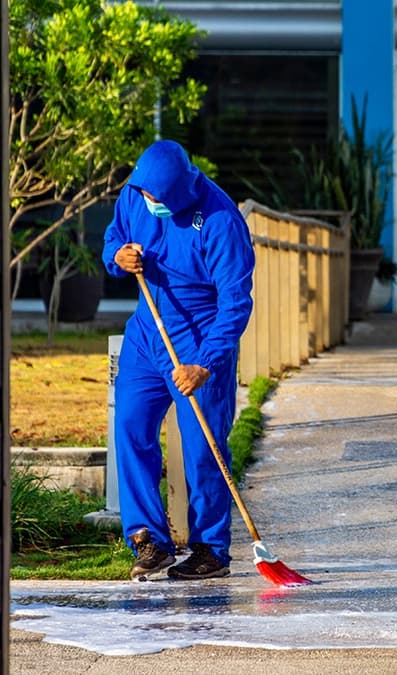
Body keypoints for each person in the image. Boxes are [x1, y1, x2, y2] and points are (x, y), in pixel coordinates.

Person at [102, 140, 255, 581]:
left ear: (180, 190)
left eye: (157, 197)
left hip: (201, 339)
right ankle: (149, 540)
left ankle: (210, 549)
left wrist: (205, 363)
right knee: (130, 428)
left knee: (202, 446)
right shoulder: (135, 195)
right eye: (145, 195)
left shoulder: (221, 220)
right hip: (147, 331)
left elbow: (235, 303)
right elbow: (114, 238)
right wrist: (117, 256)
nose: (149, 203)